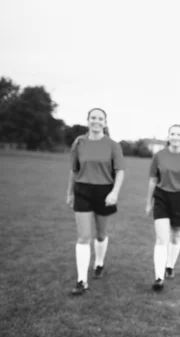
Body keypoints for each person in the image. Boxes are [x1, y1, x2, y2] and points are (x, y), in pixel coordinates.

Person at [66, 108, 125, 295]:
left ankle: (99, 263)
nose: (96, 121)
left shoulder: (113, 145)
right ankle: (81, 280)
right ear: (88, 120)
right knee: (83, 237)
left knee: (100, 235)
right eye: (93, 118)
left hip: (104, 191)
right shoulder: (79, 142)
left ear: (105, 122)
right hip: (82, 190)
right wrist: (70, 193)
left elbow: (120, 171)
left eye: (100, 118)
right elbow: (74, 170)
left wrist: (114, 192)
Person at [145, 124, 180, 291]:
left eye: (178, 134)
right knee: (162, 238)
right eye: (172, 134)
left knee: (176, 236)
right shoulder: (159, 156)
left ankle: (170, 266)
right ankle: (159, 277)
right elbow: (153, 180)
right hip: (162, 196)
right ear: (168, 136)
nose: (175, 137)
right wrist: (149, 202)